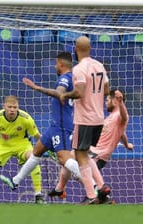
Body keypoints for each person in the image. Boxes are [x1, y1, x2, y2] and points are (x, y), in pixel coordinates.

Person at [0, 52, 81, 194]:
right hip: (56, 125)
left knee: (64, 158)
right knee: (37, 152)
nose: (55, 66)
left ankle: (93, 185)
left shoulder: (65, 79)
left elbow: (58, 93)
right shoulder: (73, 78)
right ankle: (15, 181)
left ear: (61, 64)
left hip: (61, 126)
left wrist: (36, 87)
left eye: (56, 64)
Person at [49, 89, 133, 203]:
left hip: (98, 155)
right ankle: (60, 189)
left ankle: (98, 194)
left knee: (69, 160)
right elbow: (121, 133)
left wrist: (121, 102)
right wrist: (127, 144)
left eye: (107, 100)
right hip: (93, 152)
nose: (105, 102)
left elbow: (125, 117)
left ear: (115, 101)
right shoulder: (111, 117)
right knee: (67, 161)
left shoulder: (120, 115)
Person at [59, 36, 110, 204]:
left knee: (80, 156)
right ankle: (102, 187)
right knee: (85, 154)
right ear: (90, 48)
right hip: (99, 118)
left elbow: (79, 92)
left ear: (76, 48)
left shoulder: (79, 69)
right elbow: (106, 89)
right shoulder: (99, 65)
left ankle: (91, 195)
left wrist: (65, 94)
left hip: (85, 119)